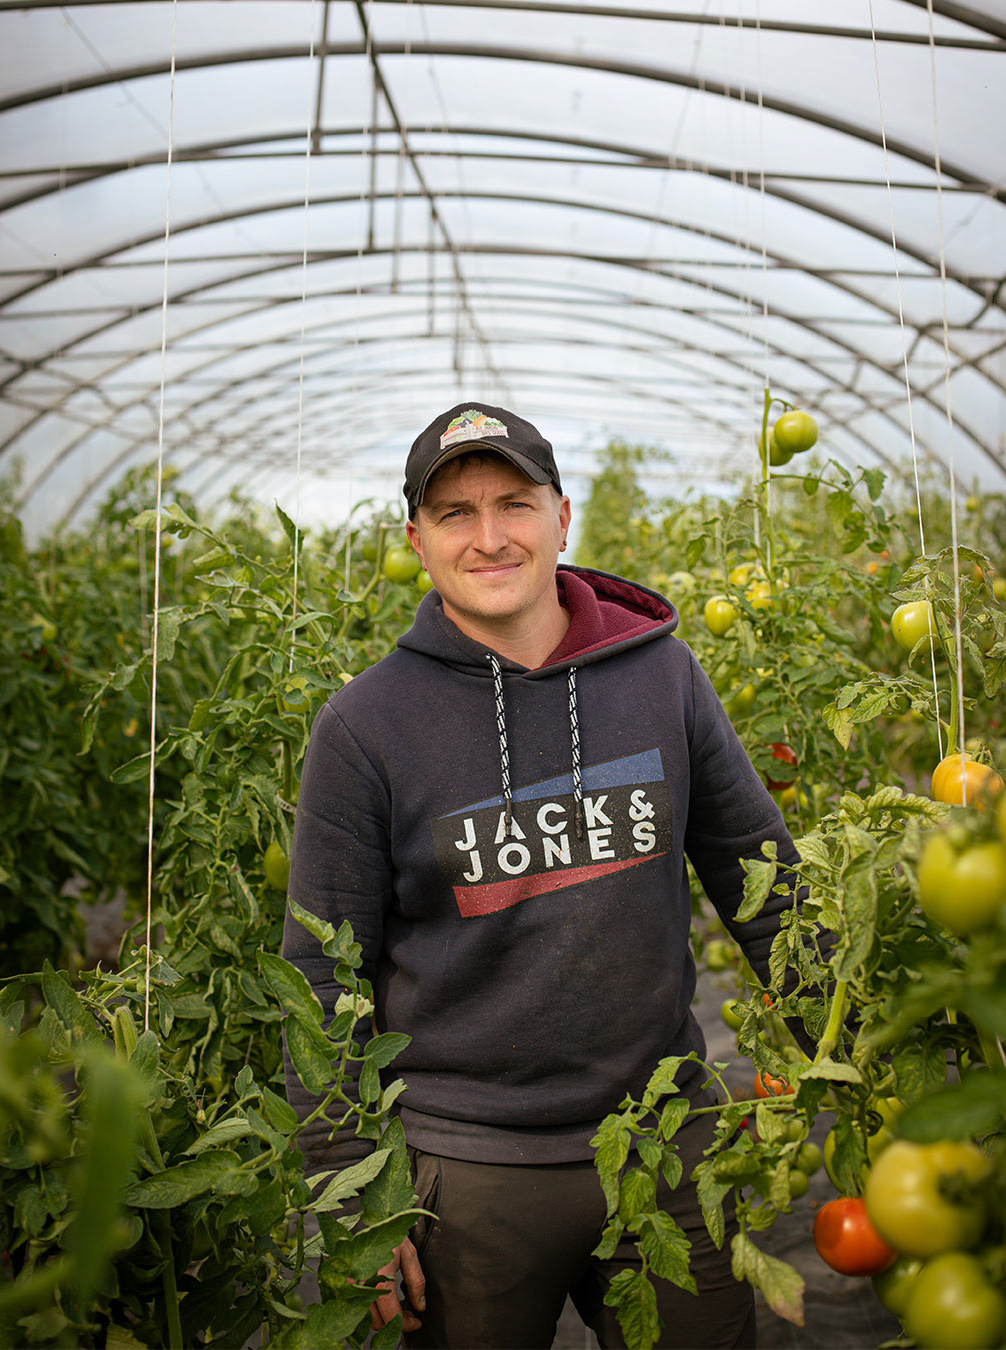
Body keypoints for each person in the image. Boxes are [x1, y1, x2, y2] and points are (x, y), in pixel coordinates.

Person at [282, 402, 808, 1349]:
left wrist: (839, 1037)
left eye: (515, 504)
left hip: (665, 1140)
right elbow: (320, 978)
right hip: (466, 1171)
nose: (490, 538)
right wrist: (346, 1183)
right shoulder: (365, 727)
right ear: (416, 539)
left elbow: (760, 877)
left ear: (562, 517)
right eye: (455, 513)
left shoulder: (665, 677)